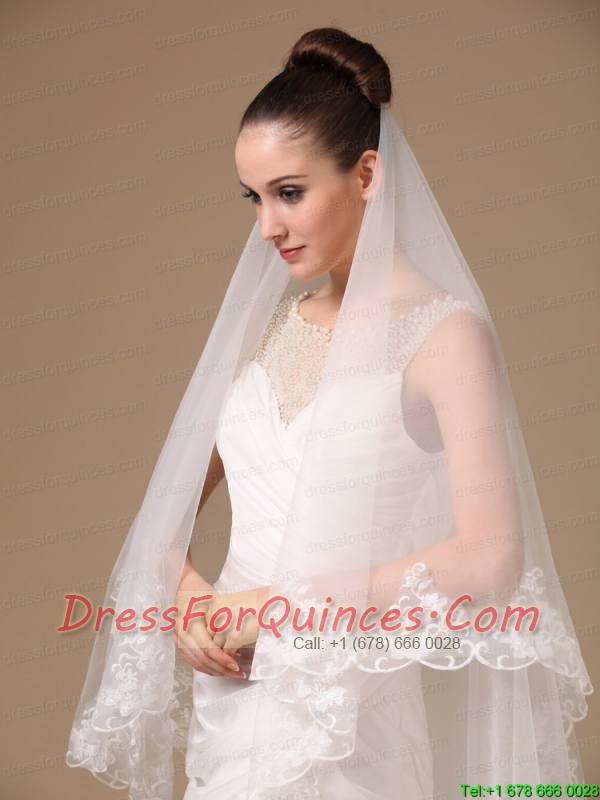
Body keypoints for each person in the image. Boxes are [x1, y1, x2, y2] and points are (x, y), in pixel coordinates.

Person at [67, 27, 592, 800]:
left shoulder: (445, 337)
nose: (267, 227)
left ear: (367, 173)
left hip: (351, 722)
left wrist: (278, 611)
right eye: (254, 198)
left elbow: (490, 558)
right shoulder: (269, 328)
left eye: (289, 193)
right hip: (233, 710)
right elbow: (162, 516)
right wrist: (188, 599)